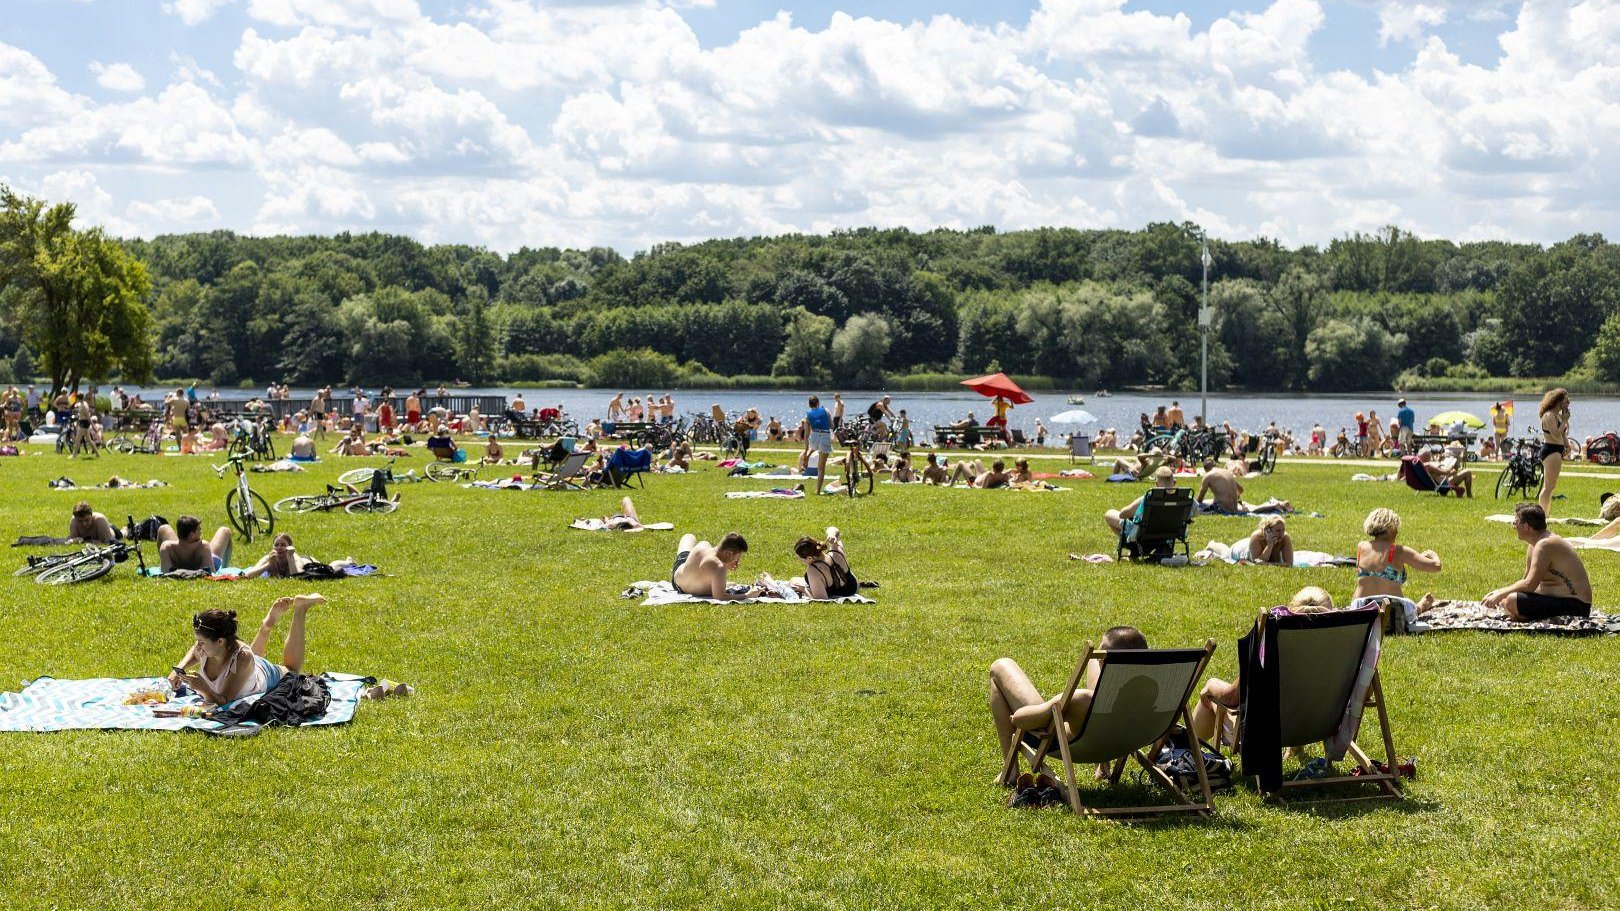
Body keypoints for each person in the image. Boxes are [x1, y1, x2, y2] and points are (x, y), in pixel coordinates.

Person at [990, 625, 1150, 785]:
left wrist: (1054, 705)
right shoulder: (1155, 697)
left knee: (1000, 666)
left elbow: (1020, 720)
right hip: (1122, 743)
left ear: (1104, 662)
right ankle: (1102, 767)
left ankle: (1010, 771)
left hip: (1065, 743)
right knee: (1092, 659)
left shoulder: (1080, 699)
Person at [1190, 588, 1335, 742]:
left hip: (1265, 736)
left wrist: (1211, 684)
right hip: (1321, 726)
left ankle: (1186, 750)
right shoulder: (1344, 645)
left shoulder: (1272, 638)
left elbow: (1232, 698)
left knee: (1209, 692)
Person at [169, 595, 324, 707]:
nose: (198, 646)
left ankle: (300, 608)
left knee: (293, 671)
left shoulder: (242, 657)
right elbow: (194, 651)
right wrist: (180, 668)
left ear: (220, 641)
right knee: (251, 659)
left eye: (201, 642)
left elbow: (224, 700)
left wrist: (204, 688)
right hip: (246, 666)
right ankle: (266, 626)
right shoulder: (207, 648)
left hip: (263, 675)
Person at [1484, 503, 1592, 621]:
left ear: (1526, 526)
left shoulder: (1545, 544)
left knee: (1511, 600)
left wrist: (1500, 594)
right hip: (1557, 600)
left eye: (1516, 522)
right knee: (1507, 601)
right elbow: (1525, 580)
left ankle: (1523, 616)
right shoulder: (1534, 545)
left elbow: (1529, 585)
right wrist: (1500, 594)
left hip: (1576, 606)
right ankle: (1523, 616)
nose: (1514, 526)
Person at [1351, 507, 1442, 611]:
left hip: (1362, 609)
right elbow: (1436, 567)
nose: (1397, 532)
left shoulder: (1361, 547)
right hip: (1392, 612)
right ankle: (1421, 607)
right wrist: (1433, 555)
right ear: (1390, 529)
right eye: (1396, 528)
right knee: (1409, 608)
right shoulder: (1399, 551)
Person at [670, 532, 756, 600]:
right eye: (737, 557)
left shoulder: (703, 545)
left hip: (677, 579)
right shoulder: (719, 567)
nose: (737, 561)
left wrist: (726, 562)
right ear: (729, 553)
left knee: (689, 536)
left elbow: (707, 564)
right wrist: (747, 595)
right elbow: (720, 597)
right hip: (682, 586)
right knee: (689, 538)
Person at [1105, 465, 1176, 536]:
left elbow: (1123, 514)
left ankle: (1131, 544)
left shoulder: (1150, 497)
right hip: (1169, 534)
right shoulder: (1183, 499)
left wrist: (1124, 510)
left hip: (1145, 534)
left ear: (1156, 484)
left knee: (1109, 513)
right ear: (1174, 482)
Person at [795, 527, 858, 599]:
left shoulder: (813, 570)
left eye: (801, 559)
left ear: (810, 558)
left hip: (836, 593)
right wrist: (832, 535)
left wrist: (803, 590)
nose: (801, 562)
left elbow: (821, 599)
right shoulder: (836, 551)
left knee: (795, 581)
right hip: (853, 588)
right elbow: (834, 529)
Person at [157, 515, 234, 574]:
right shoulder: (203, 546)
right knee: (225, 531)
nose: (201, 532)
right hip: (204, 563)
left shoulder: (166, 547)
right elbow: (211, 573)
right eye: (199, 529)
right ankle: (225, 568)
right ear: (191, 535)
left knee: (163, 528)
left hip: (177, 562)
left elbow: (165, 573)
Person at [1537, 388, 1570, 514]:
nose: (1568, 404)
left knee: (1551, 487)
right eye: (1566, 401)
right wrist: (1565, 420)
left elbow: (1562, 435)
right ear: (1559, 401)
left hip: (1557, 449)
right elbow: (1556, 434)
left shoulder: (1557, 416)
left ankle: (1545, 515)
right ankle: (1542, 515)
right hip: (1550, 450)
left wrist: (1567, 446)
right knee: (1548, 487)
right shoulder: (1549, 415)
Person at [804, 395, 834, 495]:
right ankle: (818, 491)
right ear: (818, 403)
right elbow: (831, 425)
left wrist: (805, 450)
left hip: (814, 435)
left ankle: (808, 455)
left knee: (813, 447)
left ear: (809, 405)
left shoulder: (808, 416)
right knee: (821, 467)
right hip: (825, 435)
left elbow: (806, 435)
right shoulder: (826, 411)